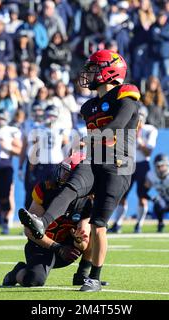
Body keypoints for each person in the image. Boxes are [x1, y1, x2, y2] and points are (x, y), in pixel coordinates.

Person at [19, 50, 140, 292]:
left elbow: (116, 127)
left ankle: (93, 276)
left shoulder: (126, 96)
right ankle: (42, 222)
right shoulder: (89, 107)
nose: (89, 74)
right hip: (95, 158)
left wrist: (92, 139)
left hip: (118, 164)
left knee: (98, 224)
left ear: (110, 70)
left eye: (95, 69)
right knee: (72, 187)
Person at [3, 154, 106, 287]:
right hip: (42, 246)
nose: (63, 176)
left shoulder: (88, 200)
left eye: (69, 174)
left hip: (69, 249)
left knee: (96, 228)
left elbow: (84, 243)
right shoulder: (46, 190)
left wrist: (78, 240)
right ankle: (16, 273)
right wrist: (57, 248)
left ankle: (83, 274)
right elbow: (29, 230)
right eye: (63, 171)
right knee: (34, 280)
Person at [109, 106, 158, 233]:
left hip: (142, 164)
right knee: (121, 195)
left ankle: (139, 225)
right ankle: (118, 223)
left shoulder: (150, 130)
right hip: (127, 163)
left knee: (142, 196)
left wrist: (139, 139)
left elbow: (148, 152)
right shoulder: (126, 128)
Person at [0, 110, 22, 235]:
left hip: (5, 165)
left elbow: (19, 150)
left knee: (5, 197)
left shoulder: (12, 131)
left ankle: (5, 223)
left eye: (2, 117)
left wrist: (5, 146)